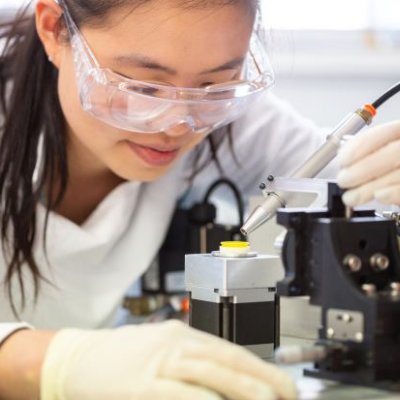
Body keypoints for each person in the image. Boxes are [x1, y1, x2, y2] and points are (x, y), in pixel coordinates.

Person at [0, 0, 398, 399]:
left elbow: (343, 171)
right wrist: (57, 363)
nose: (179, 123)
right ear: (54, 29)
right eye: (143, 87)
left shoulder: (231, 120)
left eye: (215, 84)